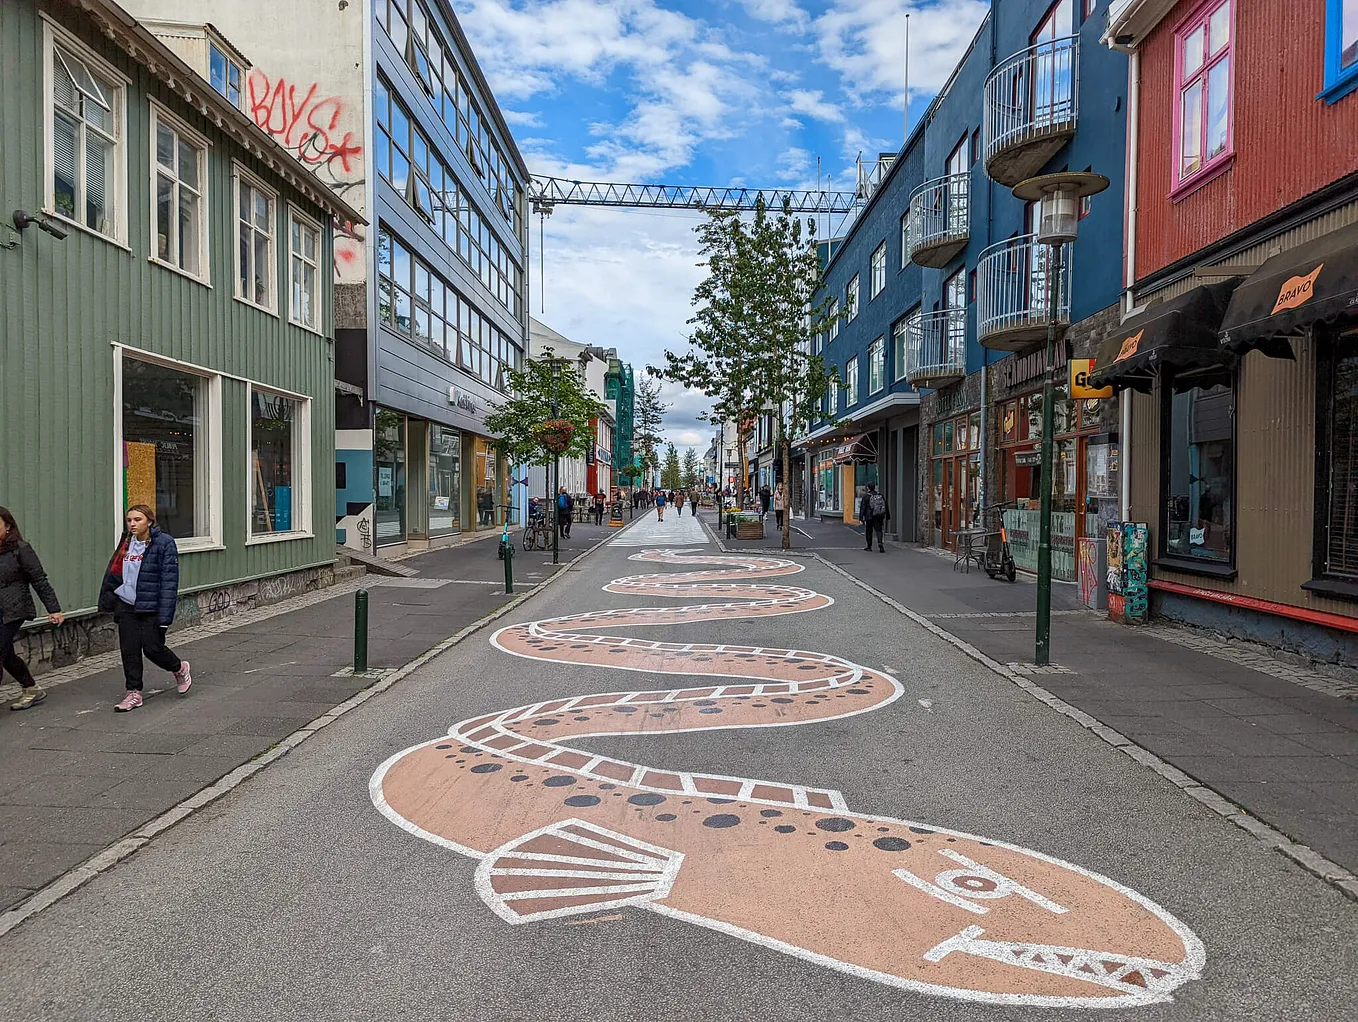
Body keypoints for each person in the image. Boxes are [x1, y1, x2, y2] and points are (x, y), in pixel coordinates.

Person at [98, 504, 191, 712]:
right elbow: (114, 572)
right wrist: (109, 599)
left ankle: (179, 668)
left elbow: (169, 581)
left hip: (151, 607)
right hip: (126, 605)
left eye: (137, 519)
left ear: (149, 521)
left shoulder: (164, 543)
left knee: (152, 648)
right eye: (129, 520)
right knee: (129, 650)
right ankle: (133, 693)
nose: (132, 524)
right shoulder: (126, 542)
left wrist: (166, 616)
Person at [0, 507, 64, 711]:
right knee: (6, 654)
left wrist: (54, 609)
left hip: (12, 609)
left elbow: (39, 580)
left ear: (8, 526)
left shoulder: (20, 548)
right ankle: (31, 688)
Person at [858, 484, 890, 553]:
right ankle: (880, 543)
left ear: (868, 488)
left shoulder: (866, 496)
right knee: (879, 530)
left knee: (869, 531)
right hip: (878, 516)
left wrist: (861, 518)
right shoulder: (880, 495)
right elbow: (885, 505)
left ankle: (869, 546)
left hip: (869, 517)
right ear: (874, 487)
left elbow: (862, 508)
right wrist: (887, 515)